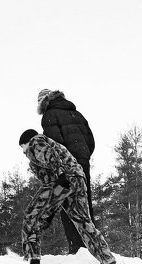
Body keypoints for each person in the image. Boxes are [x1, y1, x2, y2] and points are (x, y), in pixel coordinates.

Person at [10, 129, 119, 264]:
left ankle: (32, 261)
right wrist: (49, 212)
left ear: (26, 142)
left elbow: (49, 156)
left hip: (62, 180)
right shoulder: (51, 144)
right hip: (77, 180)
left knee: (31, 215)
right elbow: (49, 181)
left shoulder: (36, 142)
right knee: (84, 223)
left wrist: (61, 174)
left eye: (22, 147)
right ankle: (110, 263)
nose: (23, 151)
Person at [38, 89, 95, 254]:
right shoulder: (77, 114)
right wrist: (83, 156)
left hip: (67, 165)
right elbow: (90, 140)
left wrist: (62, 164)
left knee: (69, 204)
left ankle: (77, 248)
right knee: (85, 202)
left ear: (44, 102)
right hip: (83, 162)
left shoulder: (49, 115)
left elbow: (55, 144)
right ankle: (92, 245)